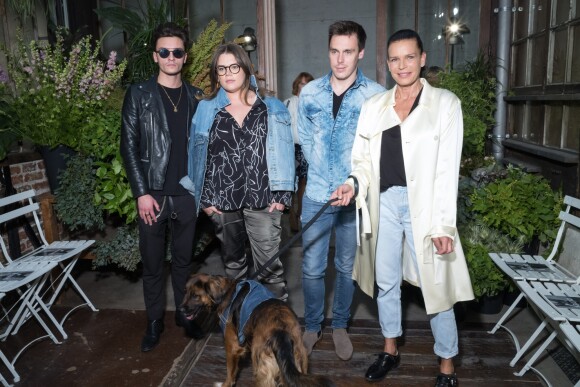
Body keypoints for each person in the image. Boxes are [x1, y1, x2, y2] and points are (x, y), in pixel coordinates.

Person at [330, 29, 474, 386]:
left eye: (409, 57)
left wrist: (443, 225)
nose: (402, 65)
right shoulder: (374, 107)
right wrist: (352, 185)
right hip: (383, 204)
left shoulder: (445, 104)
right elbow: (362, 161)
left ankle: (446, 363)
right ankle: (390, 349)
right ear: (387, 63)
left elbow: (446, 170)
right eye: (394, 59)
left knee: (435, 285)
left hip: (426, 207)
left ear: (422, 59)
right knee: (387, 282)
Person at [297, 20, 384, 361]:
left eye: (348, 51)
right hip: (317, 195)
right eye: (334, 51)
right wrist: (321, 171)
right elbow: (304, 138)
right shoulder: (310, 93)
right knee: (312, 268)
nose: (340, 59)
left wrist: (353, 182)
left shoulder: (375, 95)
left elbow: (377, 150)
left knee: (347, 267)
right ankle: (313, 325)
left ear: (361, 52)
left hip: (354, 198)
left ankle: (340, 326)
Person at [181, 43, 295, 301]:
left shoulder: (272, 107)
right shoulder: (207, 108)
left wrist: (282, 196)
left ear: (245, 68)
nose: (229, 73)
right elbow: (197, 156)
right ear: (216, 74)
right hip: (222, 201)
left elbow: (287, 152)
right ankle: (240, 323)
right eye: (222, 69)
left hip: (264, 198)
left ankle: (276, 328)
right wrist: (206, 200)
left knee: (270, 269)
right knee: (234, 267)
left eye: (234, 66)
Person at [120, 22, 202, 352]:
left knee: (184, 263)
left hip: (186, 196)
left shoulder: (197, 96)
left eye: (177, 52)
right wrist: (141, 192)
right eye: (164, 51)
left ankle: (185, 315)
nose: (171, 57)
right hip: (152, 195)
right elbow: (129, 145)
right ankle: (154, 321)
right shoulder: (139, 95)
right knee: (153, 265)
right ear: (156, 56)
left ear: (185, 56)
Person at [284, 72, 314, 232]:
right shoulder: (287, 103)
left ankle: (301, 214)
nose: (304, 87)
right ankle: (291, 218)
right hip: (289, 148)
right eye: (302, 84)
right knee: (289, 183)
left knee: (304, 181)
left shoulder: (313, 104)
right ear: (297, 85)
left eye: (308, 84)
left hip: (306, 148)